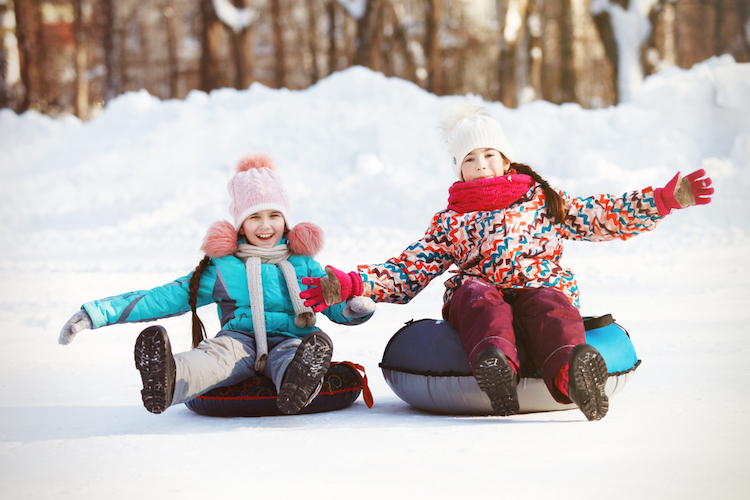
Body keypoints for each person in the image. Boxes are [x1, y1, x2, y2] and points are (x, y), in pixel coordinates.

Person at [300, 101, 713, 421]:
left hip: (538, 284)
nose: (480, 165)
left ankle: (573, 374)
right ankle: (495, 366)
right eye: (469, 159)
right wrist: (355, 283)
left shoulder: (542, 200)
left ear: (506, 159)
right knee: (479, 296)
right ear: (458, 171)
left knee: (552, 305)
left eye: (488, 155)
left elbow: (600, 215)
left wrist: (660, 200)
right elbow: (411, 267)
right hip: (480, 292)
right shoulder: (451, 220)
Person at [59, 153, 375, 415]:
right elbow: (170, 296)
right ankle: (167, 376)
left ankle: (299, 382)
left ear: (286, 218)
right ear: (239, 223)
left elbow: (330, 302)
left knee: (293, 357)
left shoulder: (303, 262)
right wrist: (98, 313)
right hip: (239, 339)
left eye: (273, 215)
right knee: (213, 359)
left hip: (293, 336)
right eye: (254, 218)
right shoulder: (224, 267)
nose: (265, 226)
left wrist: (352, 308)